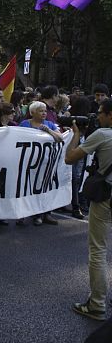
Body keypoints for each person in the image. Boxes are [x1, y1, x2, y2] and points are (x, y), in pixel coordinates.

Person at [66, 99, 112, 322]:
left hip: (106, 198)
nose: (98, 116)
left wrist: (76, 134)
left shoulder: (103, 135)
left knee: (98, 251)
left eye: (101, 113)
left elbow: (69, 158)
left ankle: (97, 304)